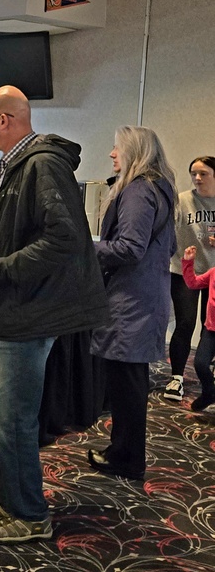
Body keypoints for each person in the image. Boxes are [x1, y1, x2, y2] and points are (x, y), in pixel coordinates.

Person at [0, 85, 108, 544]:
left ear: (5, 120)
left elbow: (62, 240)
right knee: (2, 415)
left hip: (29, 311)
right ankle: (9, 499)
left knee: (13, 418)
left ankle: (28, 514)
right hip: (12, 308)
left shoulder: (42, 163)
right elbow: (28, 227)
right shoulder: (17, 163)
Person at [86, 126, 176, 481]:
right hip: (146, 295)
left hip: (130, 301)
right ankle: (124, 452)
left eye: (117, 148)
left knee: (126, 386)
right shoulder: (161, 188)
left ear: (134, 151)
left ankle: (125, 457)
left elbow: (129, 248)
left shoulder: (139, 190)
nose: (111, 154)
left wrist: (86, 246)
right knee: (131, 383)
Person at [164, 156, 215, 401]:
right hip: (184, 270)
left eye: (203, 173)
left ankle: (207, 375)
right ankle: (176, 378)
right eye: (193, 173)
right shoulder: (182, 201)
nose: (197, 178)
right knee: (185, 323)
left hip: (214, 274)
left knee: (210, 327)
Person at [182, 245, 215, 411]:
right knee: (200, 364)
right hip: (211, 331)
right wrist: (188, 262)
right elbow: (193, 283)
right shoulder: (213, 272)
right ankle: (209, 393)